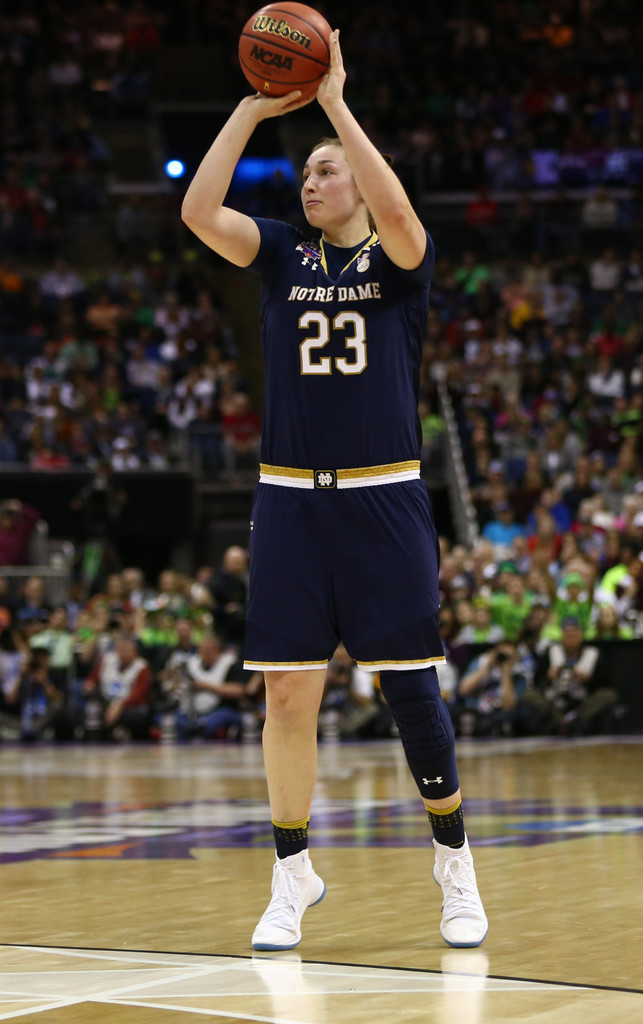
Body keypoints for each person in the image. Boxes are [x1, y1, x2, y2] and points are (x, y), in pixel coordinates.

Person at [181, 31, 487, 952]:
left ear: (356, 175)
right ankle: (291, 875)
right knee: (284, 696)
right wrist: (254, 106)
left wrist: (337, 108)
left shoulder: (400, 264)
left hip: (384, 496)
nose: (310, 183)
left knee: (408, 693)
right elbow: (198, 210)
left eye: (325, 171)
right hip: (288, 501)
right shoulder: (278, 254)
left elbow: (394, 209)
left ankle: (454, 865)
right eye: (307, 173)